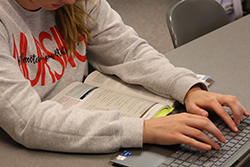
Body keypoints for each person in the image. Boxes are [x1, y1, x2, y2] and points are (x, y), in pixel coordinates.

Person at [0, 0, 248, 153]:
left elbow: (128, 52)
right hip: (30, 145)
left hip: (83, 123)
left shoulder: (76, 2)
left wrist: (187, 88)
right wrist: (143, 130)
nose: (72, 0)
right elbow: (27, 121)